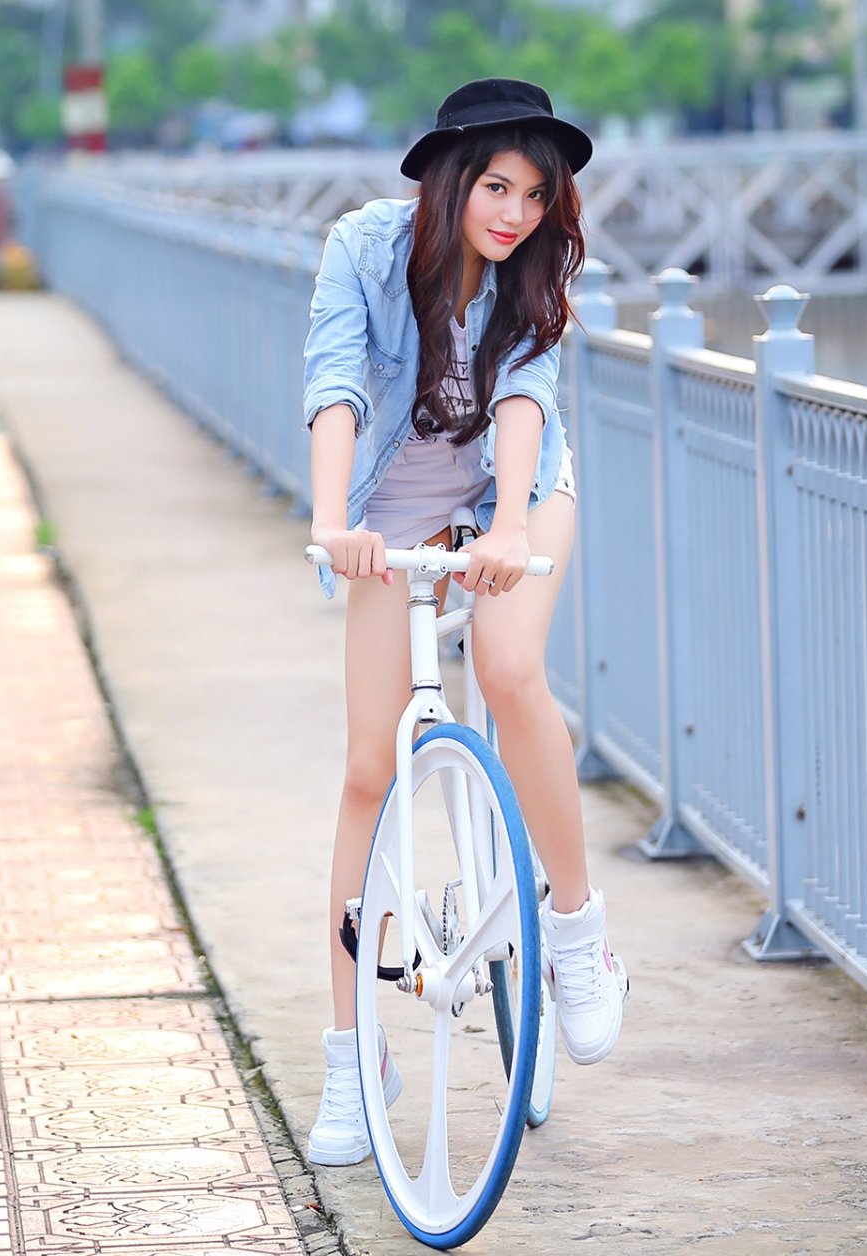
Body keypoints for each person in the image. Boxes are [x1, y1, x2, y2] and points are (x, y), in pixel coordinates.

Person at [300, 78, 630, 1168]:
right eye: (497, 185)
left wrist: (511, 526)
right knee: (364, 768)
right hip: (393, 503)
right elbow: (337, 382)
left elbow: (526, 397)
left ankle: (576, 930)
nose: (516, 213)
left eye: (537, 194)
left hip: (510, 492)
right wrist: (328, 518)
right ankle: (355, 1055)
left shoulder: (528, 271)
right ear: (449, 179)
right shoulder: (361, 246)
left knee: (509, 659)